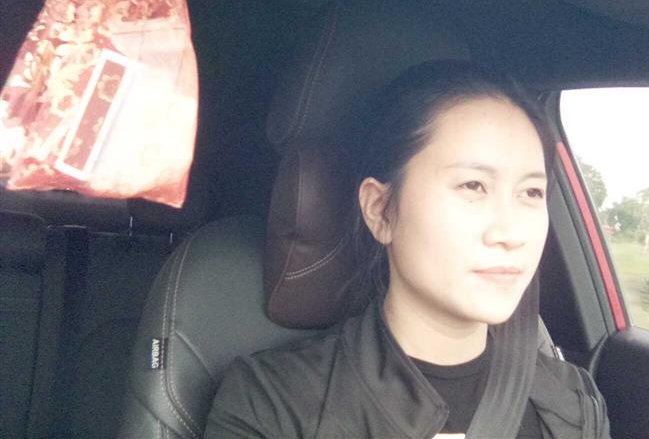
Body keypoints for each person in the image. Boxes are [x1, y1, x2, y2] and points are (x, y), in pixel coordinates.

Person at [205, 60, 611, 439]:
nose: (511, 233)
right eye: (473, 186)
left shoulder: (573, 402)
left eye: (531, 192)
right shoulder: (273, 403)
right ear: (380, 209)